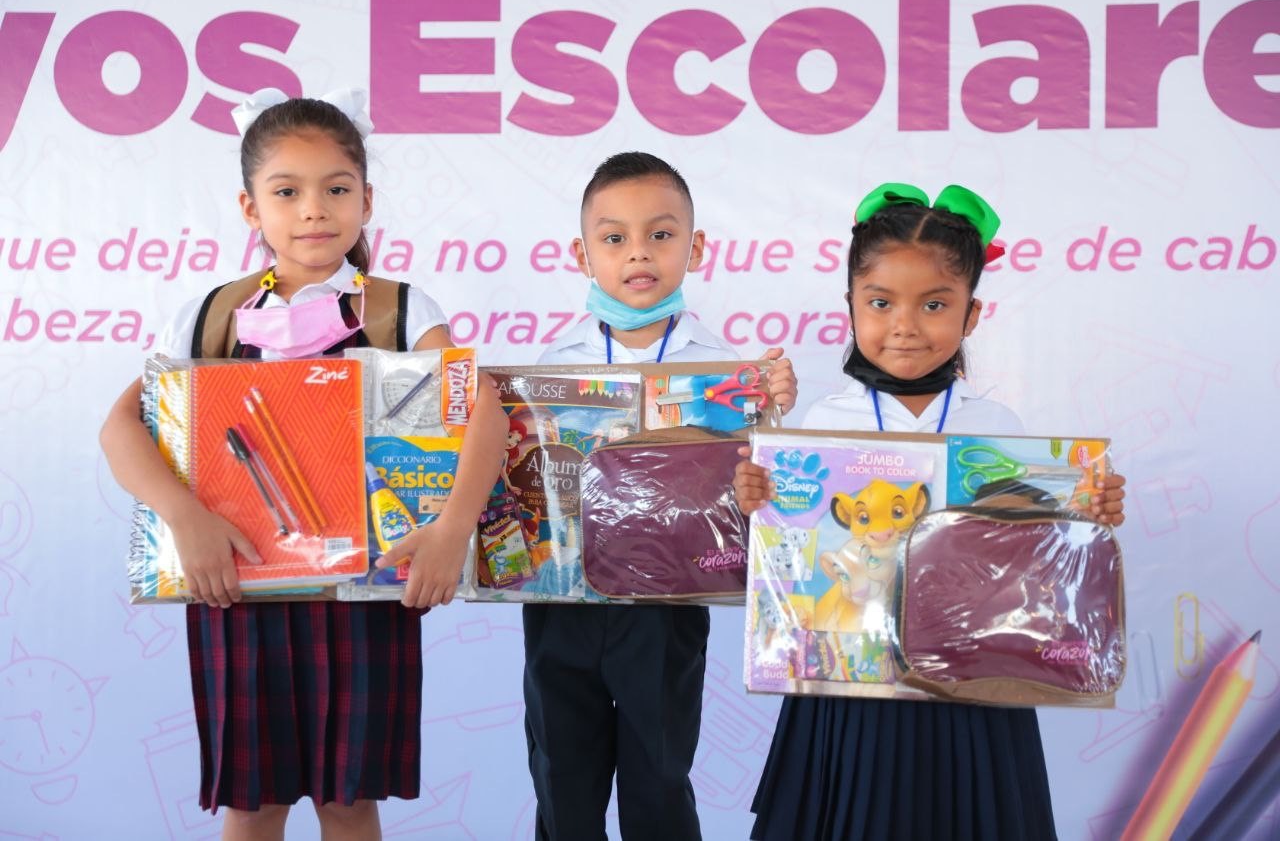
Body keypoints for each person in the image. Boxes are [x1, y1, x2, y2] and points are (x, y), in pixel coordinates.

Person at [99, 88, 505, 841]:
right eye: (287, 191)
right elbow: (122, 425)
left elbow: (483, 408)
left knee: (350, 801)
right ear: (251, 208)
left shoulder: (401, 310)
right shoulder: (206, 315)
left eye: (336, 188)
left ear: (367, 200)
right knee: (252, 803)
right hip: (239, 584)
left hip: (363, 593)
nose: (314, 209)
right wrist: (185, 515)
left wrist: (453, 528)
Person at [734, 182, 1128, 841]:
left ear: (971, 315)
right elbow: (789, 563)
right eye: (881, 302)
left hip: (969, 689)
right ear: (852, 306)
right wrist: (756, 503)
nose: (905, 325)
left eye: (935, 304)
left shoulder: (998, 429)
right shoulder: (823, 426)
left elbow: (1029, 566)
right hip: (849, 690)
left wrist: (1087, 515)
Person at [523, 151, 797, 839]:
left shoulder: (725, 371)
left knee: (660, 777)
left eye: (661, 234)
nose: (638, 253)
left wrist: (774, 415)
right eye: (614, 237)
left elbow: (757, 493)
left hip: (668, 606)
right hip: (565, 598)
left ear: (695, 246)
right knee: (562, 779)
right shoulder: (548, 369)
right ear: (581, 253)